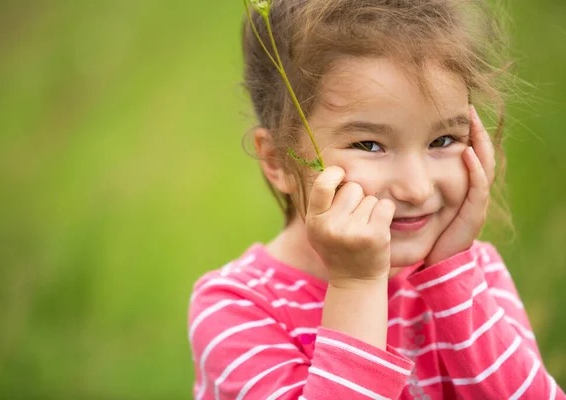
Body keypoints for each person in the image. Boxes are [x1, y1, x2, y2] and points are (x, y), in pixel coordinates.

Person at [188, 0, 565, 398]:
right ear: (278, 160)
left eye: (443, 140)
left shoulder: (475, 274)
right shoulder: (237, 306)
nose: (417, 189)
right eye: (369, 144)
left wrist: (452, 272)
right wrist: (356, 284)